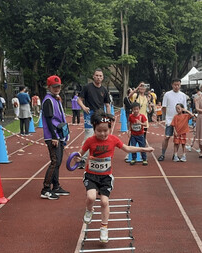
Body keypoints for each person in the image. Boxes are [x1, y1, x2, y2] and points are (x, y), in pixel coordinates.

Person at [75, 113, 153, 243]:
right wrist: (77, 157)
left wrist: (143, 149)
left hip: (105, 177)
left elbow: (127, 149)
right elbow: (80, 154)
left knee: (104, 202)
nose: (102, 134)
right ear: (94, 129)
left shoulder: (113, 139)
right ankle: (89, 210)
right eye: (99, 131)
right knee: (91, 197)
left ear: (110, 129)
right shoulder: (90, 141)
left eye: (106, 130)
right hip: (91, 175)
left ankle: (104, 228)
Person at [40, 75, 70, 200]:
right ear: (49, 87)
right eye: (54, 87)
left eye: (58, 86)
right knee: (54, 162)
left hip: (59, 134)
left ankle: (56, 186)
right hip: (53, 136)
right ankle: (46, 189)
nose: (57, 89)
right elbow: (48, 120)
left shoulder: (56, 99)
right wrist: (53, 137)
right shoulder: (48, 101)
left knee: (58, 161)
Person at [77, 68, 112, 166]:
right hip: (89, 114)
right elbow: (79, 100)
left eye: (100, 76)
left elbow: (107, 105)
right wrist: (83, 107)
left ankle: (99, 155)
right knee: (89, 135)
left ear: (103, 78)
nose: (98, 77)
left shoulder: (104, 90)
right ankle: (82, 158)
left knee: (102, 135)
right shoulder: (87, 87)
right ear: (93, 76)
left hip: (100, 115)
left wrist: (108, 117)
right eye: (97, 75)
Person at [159, 78, 187, 161]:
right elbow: (164, 107)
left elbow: (184, 109)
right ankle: (163, 154)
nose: (176, 86)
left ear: (180, 85)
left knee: (178, 138)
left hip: (179, 121)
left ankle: (175, 154)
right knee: (167, 137)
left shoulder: (183, 95)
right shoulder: (167, 94)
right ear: (172, 85)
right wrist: (166, 117)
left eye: (178, 85)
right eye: (175, 85)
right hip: (170, 119)